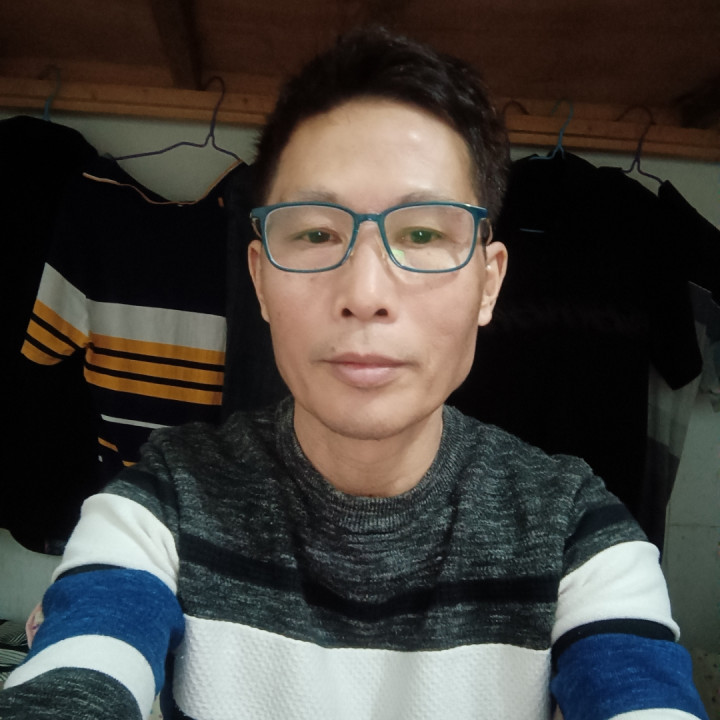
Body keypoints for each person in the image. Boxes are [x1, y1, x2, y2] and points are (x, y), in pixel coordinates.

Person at [0, 26, 708, 720]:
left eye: (423, 234)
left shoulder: (575, 529)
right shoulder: (164, 500)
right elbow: (80, 670)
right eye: (316, 233)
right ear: (260, 279)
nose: (365, 293)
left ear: (488, 284)